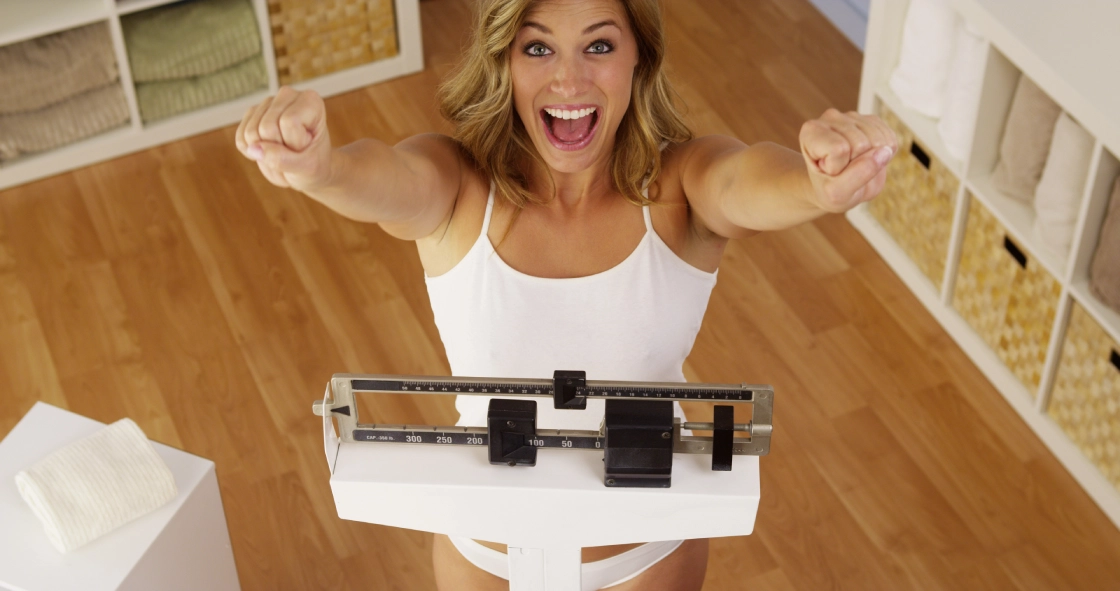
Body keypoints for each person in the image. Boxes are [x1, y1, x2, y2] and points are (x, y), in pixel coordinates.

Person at [235, 0, 897, 588]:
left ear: (640, 57)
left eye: (600, 46)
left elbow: (744, 181)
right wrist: (321, 168)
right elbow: (383, 176)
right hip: (482, 562)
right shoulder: (457, 188)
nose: (570, 81)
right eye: (538, 46)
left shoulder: (679, 185)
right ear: (505, 60)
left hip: (644, 560)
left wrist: (817, 186)